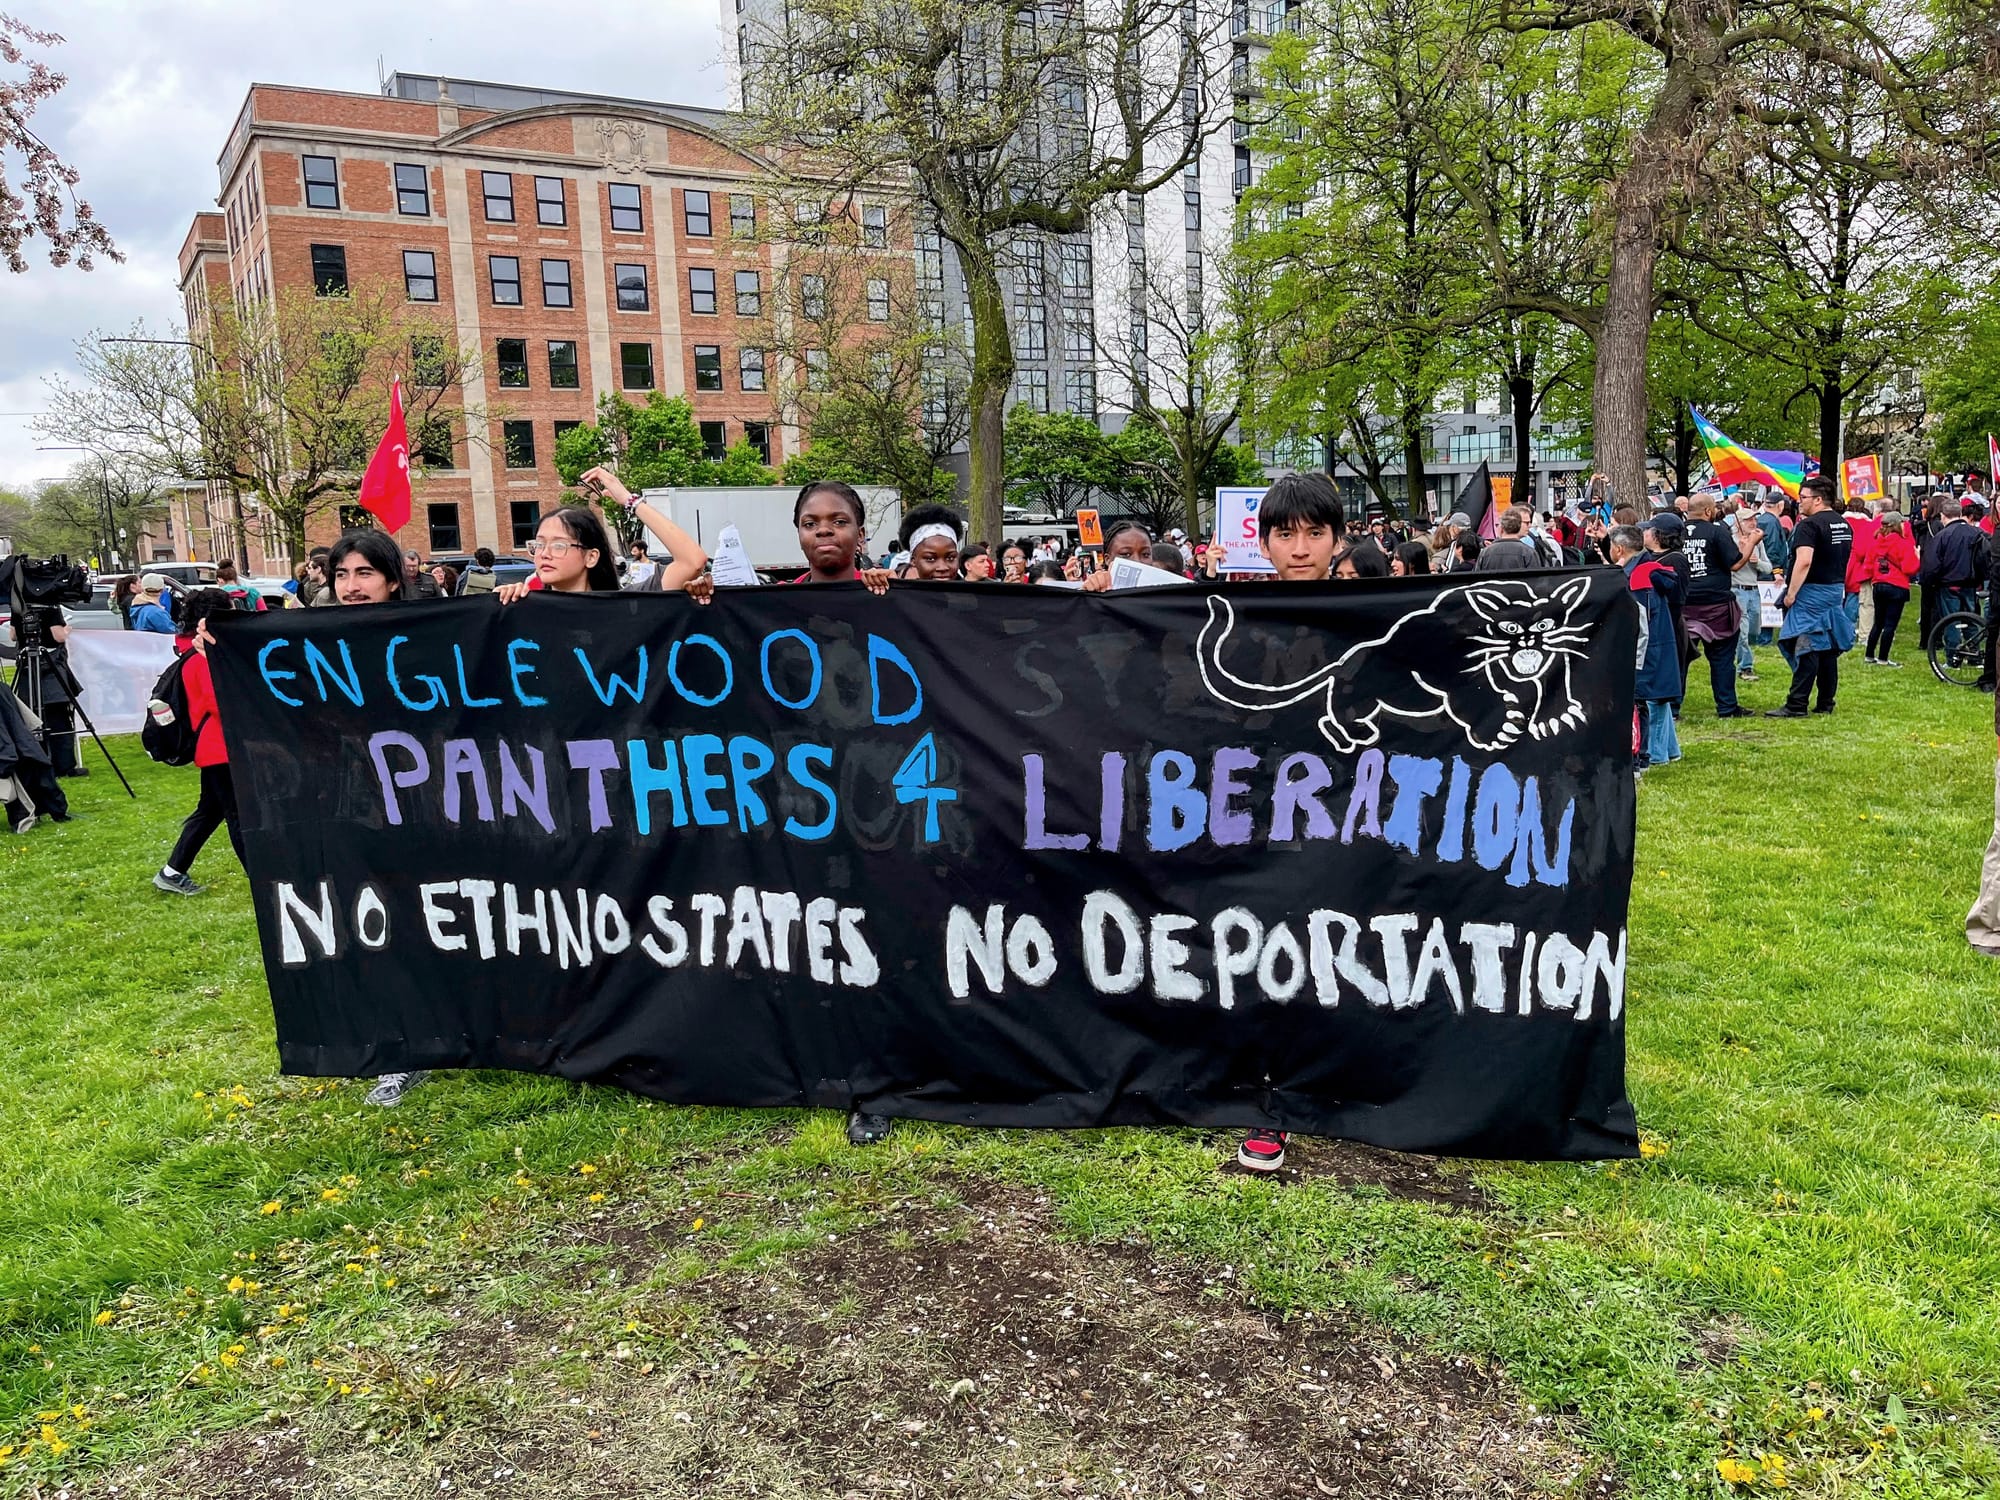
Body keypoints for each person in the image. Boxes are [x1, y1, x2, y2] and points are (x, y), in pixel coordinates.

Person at [1225, 470, 1344, 1176]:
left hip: (1357, 813)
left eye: (1314, 532)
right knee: (1271, 956)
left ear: (1337, 537)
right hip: (1261, 815)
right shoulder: (1239, 614)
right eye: (1285, 533)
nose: (1300, 548)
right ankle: (1272, 1104)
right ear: (1263, 540)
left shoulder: (1379, 607)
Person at [152, 587, 244, 898]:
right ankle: (261, 876)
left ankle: (172, 871)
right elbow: (220, 704)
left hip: (216, 748)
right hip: (219, 748)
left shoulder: (197, 652)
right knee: (238, 816)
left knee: (211, 812)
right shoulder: (203, 657)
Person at [1765, 474, 1854, 717]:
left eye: (1803, 497)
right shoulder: (1842, 523)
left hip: (1812, 591)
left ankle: (1797, 703)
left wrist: (1791, 593)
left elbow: (1804, 561)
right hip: (1834, 590)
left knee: (1806, 646)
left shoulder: (1809, 525)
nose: (1798, 502)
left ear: (1817, 500)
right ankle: (1826, 702)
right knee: (1827, 648)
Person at [1612, 525, 1682, 772]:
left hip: (1647, 648)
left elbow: (1639, 622)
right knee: (1657, 701)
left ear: (1619, 549)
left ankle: (1651, 755)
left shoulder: (1639, 577)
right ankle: (1668, 751)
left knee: (1645, 704)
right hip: (1660, 643)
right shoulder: (1649, 567)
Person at [1679, 496, 1748, 718]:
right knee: (1722, 658)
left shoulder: (1676, 531)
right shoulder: (1717, 532)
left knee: (1679, 658)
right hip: (1716, 604)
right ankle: (1727, 706)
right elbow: (1735, 563)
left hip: (1684, 604)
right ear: (1708, 511)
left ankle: (1672, 708)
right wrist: (1752, 544)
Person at [1861, 511, 1919, 666]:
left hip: (1879, 584)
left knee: (1877, 622)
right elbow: (1909, 568)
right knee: (1890, 625)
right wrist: (1918, 558)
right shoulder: (1902, 543)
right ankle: (1883, 658)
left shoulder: (1876, 541)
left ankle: (1869, 655)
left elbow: (1869, 563)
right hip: (1896, 585)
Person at [1727, 506, 1772, 681]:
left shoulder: (1758, 542)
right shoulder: (1730, 541)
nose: (1753, 523)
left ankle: (1737, 656)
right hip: (1737, 589)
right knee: (1742, 631)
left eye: (1755, 520)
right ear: (1739, 523)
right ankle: (1745, 667)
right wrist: (1741, 553)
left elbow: (1768, 567)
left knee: (1754, 630)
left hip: (1754, 590)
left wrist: (1757, 562)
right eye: (1748, 520)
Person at [1080, 522, 1156, 591]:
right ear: (1107, 559)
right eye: (1126, 554)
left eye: (1145, 554)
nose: (1137, 562)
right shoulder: (1098, 590)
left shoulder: (1163, 590)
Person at [899, 503, 966, 580]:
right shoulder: (898, 591)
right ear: (913, 561)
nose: (942, 567)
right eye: (930, 559)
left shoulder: (973, 591)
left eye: (950, 558)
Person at [1473, 508, 1544, 571]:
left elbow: (1477, 581)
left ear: (1501, 526)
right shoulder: (1529, 552)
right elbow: (1536, 582)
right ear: (1519, 525)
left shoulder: (1485, 553)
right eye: (1527, 523)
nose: (1530, 526)